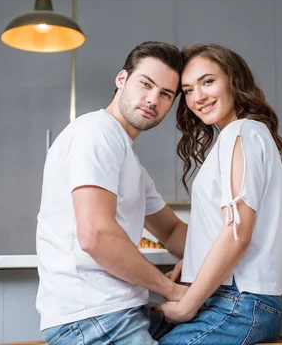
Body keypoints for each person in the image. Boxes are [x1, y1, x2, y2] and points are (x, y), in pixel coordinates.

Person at [36, 41, 189, 345]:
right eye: (146, 84)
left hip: (125, 311)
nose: (152, 99)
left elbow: (171, 230)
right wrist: (171, 290)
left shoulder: (127, 157)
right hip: (92, 318)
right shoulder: (97, 132)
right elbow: (96, 236)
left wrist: (204, 258)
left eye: (165, 94)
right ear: (122, 80)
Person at [156, 43, 282, 345]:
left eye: (208, 81)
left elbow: (237, 234)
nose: (198, 97)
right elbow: (230, 228)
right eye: (189, 90)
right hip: (240, 302)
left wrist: (187, 305)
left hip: (239, 304)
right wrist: (195, 258)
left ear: (233, 79)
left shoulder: (241, 132)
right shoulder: (243, 135)